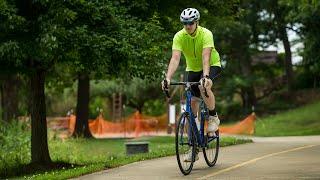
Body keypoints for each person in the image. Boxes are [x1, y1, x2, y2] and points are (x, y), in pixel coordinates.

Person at [161, 8, 222, 162]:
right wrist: (167, 78)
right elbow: (175, 59)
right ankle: (193, 148)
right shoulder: (179, 36)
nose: (188, 26)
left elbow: (206, 57)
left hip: (212, 65)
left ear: (197, 22)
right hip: (192, 69)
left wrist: (206, 77)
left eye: (191, 23)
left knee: (203, 86)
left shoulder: (206, 34)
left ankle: (213, 117)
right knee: (191, 111)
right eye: (185, 23)